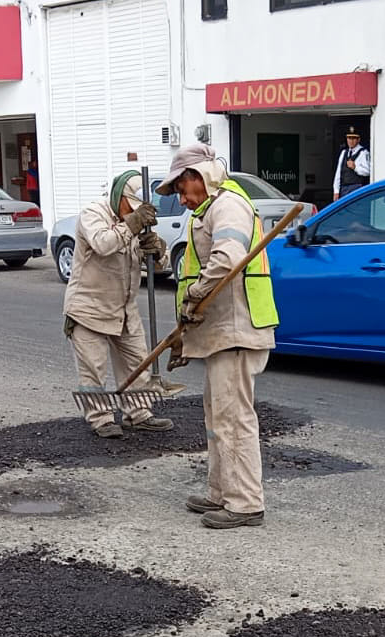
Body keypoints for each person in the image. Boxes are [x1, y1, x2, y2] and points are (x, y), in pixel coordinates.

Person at [156, 143, 277, 530]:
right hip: (220, 330)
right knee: (216, 417)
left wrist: (194, 294)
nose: (180, 198)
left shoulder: (228, 205)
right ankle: (220, 491)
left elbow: (225, 260)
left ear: (198, 177)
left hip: (238, 330)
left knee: (234, 418)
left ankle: (244, 504)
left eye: (180, 188)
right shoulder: (207, 210)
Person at [62, 171, 175, 439]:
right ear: (118, 196)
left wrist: (157, 251)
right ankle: (100, 419)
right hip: (88, 309)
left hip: (124, 308)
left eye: (137, 212)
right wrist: (133, 224)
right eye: (130, 208)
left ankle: (138, 414)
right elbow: (103, 243)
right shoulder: (93, 213)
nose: (132, 213)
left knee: (137, 362)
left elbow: (160, 265)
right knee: (94, 369)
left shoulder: (135, 224)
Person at [332, 127, 371, 200]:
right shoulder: (344, 153)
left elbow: (368, 171)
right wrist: (336, 191)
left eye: (353, 138)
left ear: (358, 139)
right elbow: (338, 173)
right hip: (344, 189)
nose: (351, 141)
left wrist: (355, 167)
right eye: (349, 138)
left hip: (357, 188)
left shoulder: (363, 153)